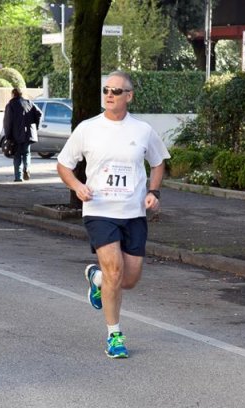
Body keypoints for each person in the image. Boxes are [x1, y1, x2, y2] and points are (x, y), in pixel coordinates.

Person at [56, 70, 170, 358]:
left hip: (133, 213)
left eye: (116, 91)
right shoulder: (87, 128)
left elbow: (158, 163)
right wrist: (77, 186)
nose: (109, 95)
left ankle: (95, 278)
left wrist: (153, 193)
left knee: (128, 279)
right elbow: (64, 165)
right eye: (106, 90)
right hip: (99, 210)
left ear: (128, 96)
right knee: (115, 270)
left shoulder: (142, 130)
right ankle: (114, 335)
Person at [2, 88, 42, 182]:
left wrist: (8, 135)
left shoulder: (11, 105)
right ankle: (26, 168)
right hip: (28, 134)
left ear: (13, 95)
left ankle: (18, 177)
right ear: (21, 94)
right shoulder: (28, 103)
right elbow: (39, 113)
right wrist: (35, 126)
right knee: (26, 153)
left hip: (16, 135)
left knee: (17, 155)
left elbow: (8, 121)